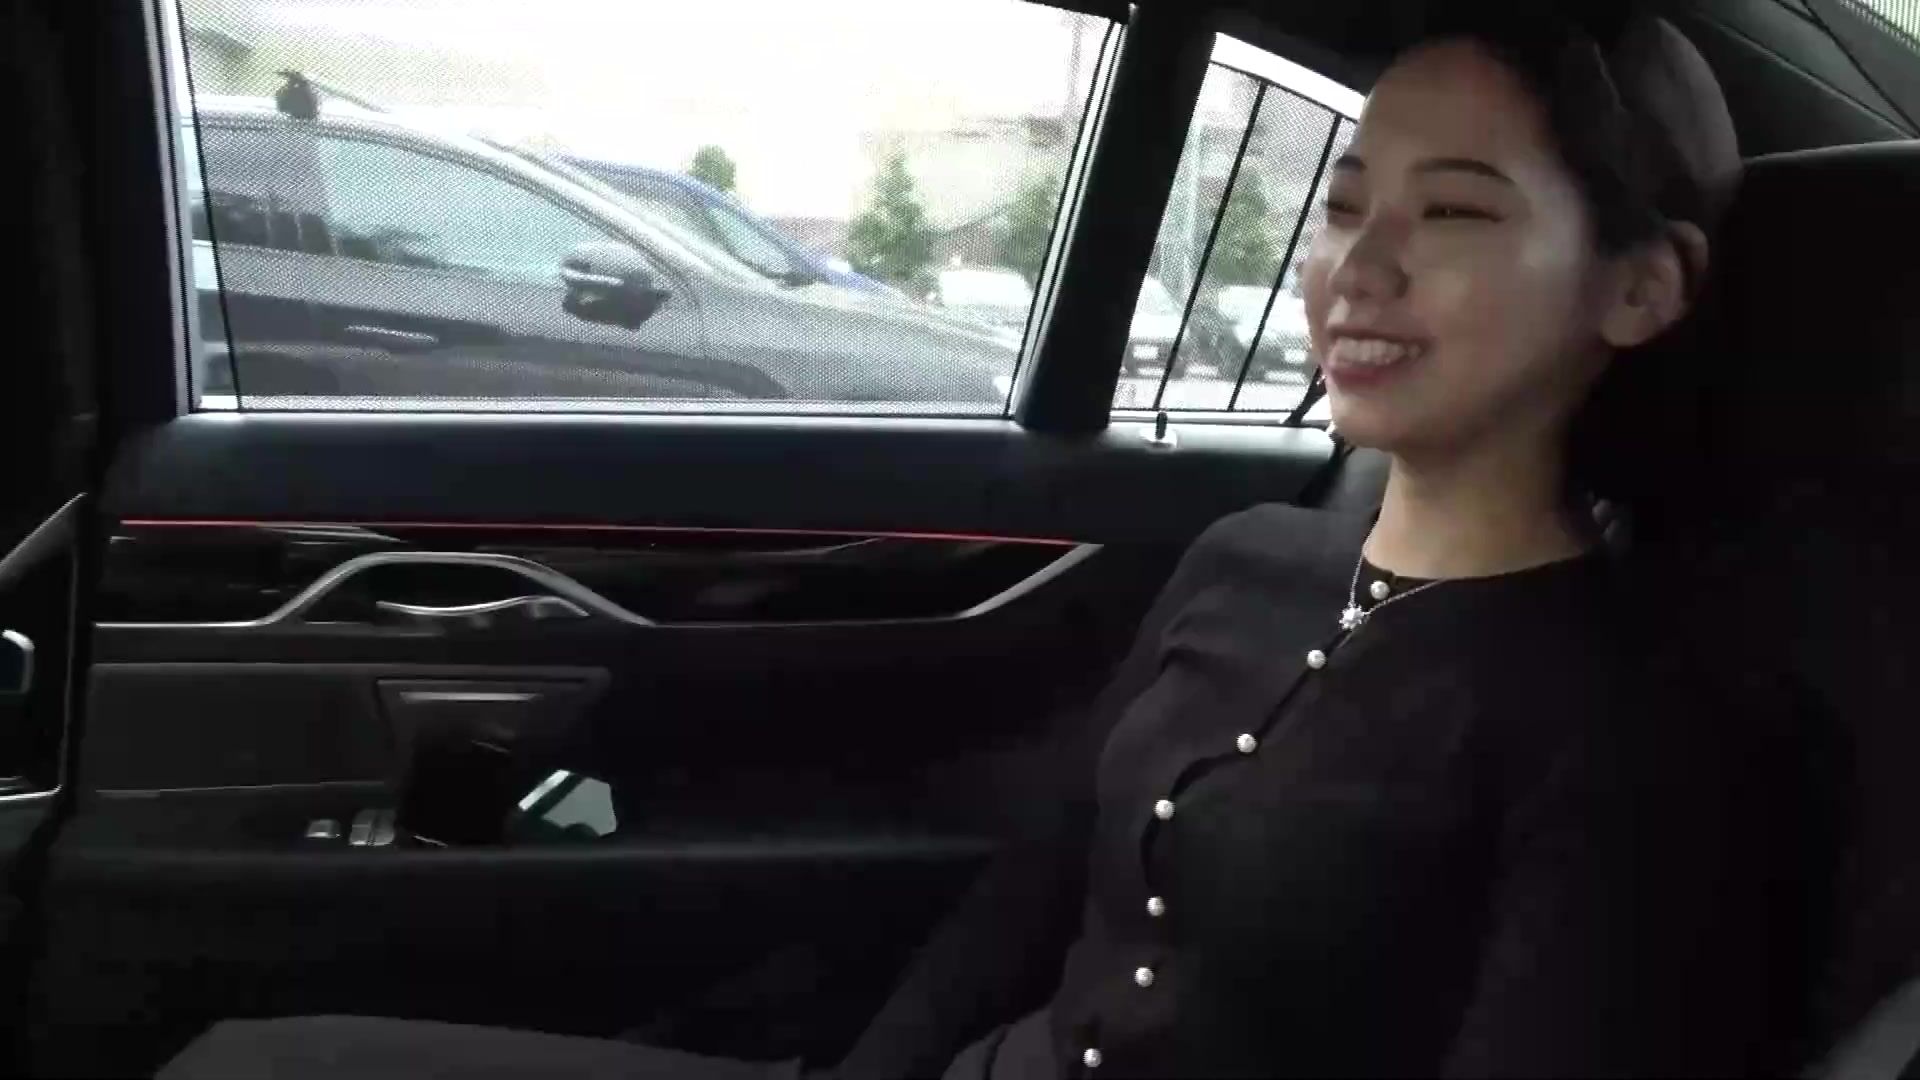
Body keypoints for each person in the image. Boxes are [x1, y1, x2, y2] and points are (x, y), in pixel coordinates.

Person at [160, 8, 1794, 1079]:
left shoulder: (1632, 729)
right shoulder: (1251, 558)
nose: (1357, 267)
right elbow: (1027, 898)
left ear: (1641, 288)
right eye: (1348, 202)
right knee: (247, 1061)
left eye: (1455, 212)